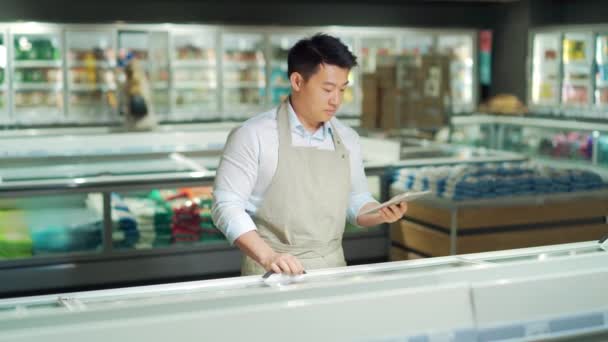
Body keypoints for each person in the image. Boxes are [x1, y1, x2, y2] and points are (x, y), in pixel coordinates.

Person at [212, 33, 408, 276]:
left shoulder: (347, 139)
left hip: (332, 269)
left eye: (342, 88)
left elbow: (356, 200)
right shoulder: (253, 135)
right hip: (272, 271)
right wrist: (268, 256)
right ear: (297, 81)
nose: (336, 100)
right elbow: (225, 206)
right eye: (327, 89)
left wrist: (379, 213)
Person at [121, 59, 157, 131]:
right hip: (148, 122)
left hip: (132, 125)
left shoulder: (124, 85)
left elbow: (121, 106)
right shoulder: (145, 83)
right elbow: (150, 101)